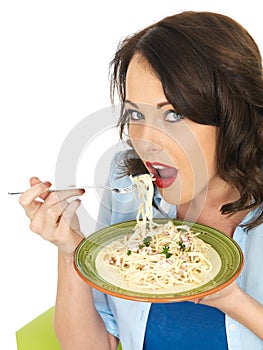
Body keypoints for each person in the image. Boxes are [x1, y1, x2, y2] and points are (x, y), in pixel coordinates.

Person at [19, 11, 263, 350]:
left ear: (233, 114)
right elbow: (91, 345)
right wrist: (71, 248)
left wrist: (233, 300)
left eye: (174, 114)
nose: (146, 140)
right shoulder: (127, 185)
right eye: (136, 114)